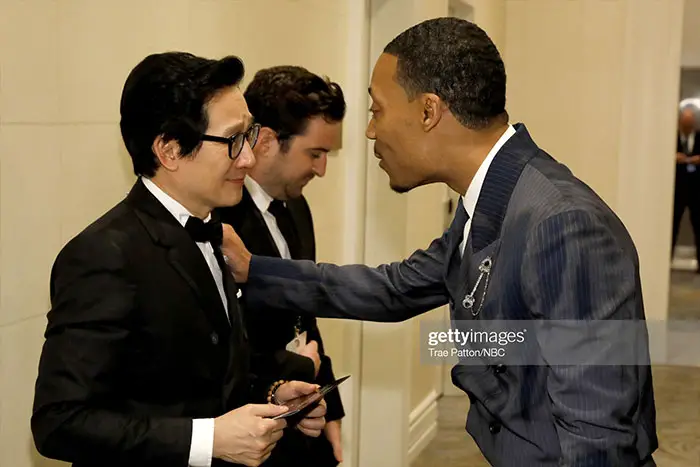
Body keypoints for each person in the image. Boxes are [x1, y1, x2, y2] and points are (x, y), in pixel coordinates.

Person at [221, 18, 658, 466]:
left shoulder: (564, 223)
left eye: (378, 110)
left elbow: (596, 435)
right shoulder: (492, 200)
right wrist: (254, 269)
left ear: (429, 111)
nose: (371, 131)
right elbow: (393, 289)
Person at [31, 52, 326, 467]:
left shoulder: (215, 228)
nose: (248, 158)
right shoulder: (104, 254)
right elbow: (59, 422)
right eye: (233, 141)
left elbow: (206, 372)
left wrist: (272, 390)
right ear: (169, 150)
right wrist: (208, 439)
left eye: (250, 135)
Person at [216, 65, 345, 466]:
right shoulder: (221, 222)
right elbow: (222, 345)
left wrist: (331, 409)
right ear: (269, 141)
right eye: (315, 153)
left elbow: (306, 318)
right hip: (248, 432)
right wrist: (297, 367)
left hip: (306, 420)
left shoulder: (296, 206)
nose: (322, 169)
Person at [672, 107, 700, 269]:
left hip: (696, 190)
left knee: (698, 226)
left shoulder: (699, 137)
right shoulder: (673, 138)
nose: (688, 126)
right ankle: (667, 258)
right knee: (673, 224)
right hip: (678, 190)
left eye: (690, 123)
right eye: (685, 123)